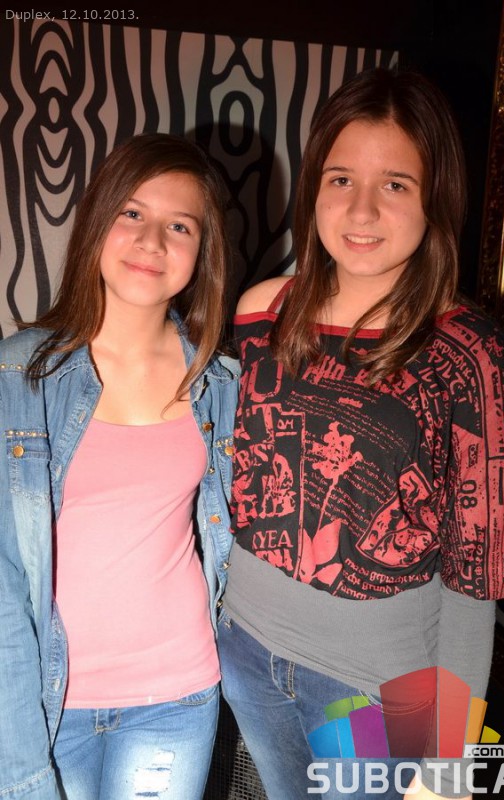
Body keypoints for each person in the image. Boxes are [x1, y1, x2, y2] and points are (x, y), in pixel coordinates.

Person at [217, 67, 504, 800]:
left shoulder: (471, 353)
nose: (361, 209)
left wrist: (447, 760)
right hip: (245, 650)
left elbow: (475, 578)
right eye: (340, 179)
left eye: (394, 184)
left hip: (370, 687)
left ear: (433, 198)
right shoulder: (261, 312)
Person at [0, 133, 239, 800]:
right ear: (97, 221)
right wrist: (19, 763)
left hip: (177, 695)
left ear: (203, 249)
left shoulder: (219, 382)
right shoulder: (20, 374)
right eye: (132, 212)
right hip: (49, 703)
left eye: (179, 225)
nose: (151, 241)